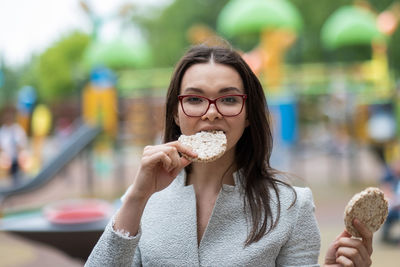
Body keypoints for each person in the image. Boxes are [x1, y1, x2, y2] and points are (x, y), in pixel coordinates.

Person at [86, 45, 373, 266]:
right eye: (195, 99)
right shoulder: (141, 200)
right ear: (175, 112)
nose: (211, 112)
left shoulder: (291, 206)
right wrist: (137, 196)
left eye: (229, 99)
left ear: (248, 115)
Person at [0, 106, 28, 185]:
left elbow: (22, 144)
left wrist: (20, 154)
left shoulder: (17, 129)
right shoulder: (2, 131)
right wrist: (3, 156)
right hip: (7, 158)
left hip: (16, 158)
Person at [380, 158, 400, 245]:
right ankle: (385, 237)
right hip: (393, 206)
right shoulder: (390, 177)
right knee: (386, 214)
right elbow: (385, 190)